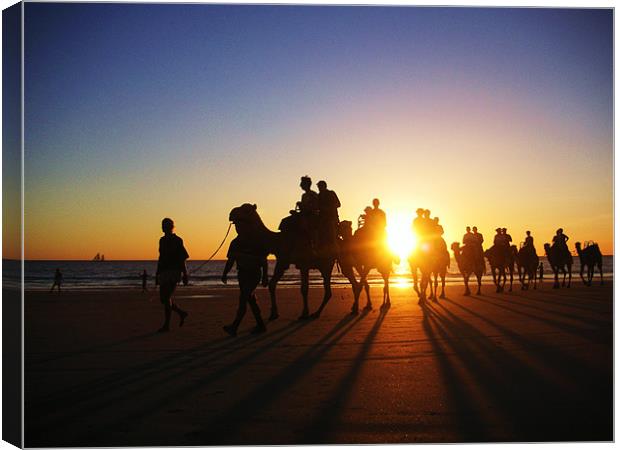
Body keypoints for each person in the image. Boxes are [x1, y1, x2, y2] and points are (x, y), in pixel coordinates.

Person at [221, 236, 268, 336]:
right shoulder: (235, 242)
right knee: (250, 299)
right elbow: (231, 260)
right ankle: (261, 325)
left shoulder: (257, 241)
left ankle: (235, 326)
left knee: (243, 298)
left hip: (254, 273)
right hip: (242, 274)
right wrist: (225, 273)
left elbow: (263, 261)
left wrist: (265, 276)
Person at [155, 218, 189, 333]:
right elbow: (160, 258)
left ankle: (166, 325)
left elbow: (182, 257)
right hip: (164, 271)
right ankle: (181, 313)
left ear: (170, 227)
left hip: (174, 271)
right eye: (162, 225)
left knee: (166, 297)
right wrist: (157, 273)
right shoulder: (161, 241)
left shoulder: (178, 240)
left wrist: (185, 274)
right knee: (163, 299)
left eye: (165, 225)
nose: (163, 227)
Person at [317, 180, 341, 249]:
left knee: (333, 237)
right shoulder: (319, 196)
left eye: (320, 186)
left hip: (332, 219)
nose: (319, 188)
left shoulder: (331, 193)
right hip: (322, 219)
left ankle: (337, 251)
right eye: (318, 187)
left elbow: (338, 204)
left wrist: (328, 208)